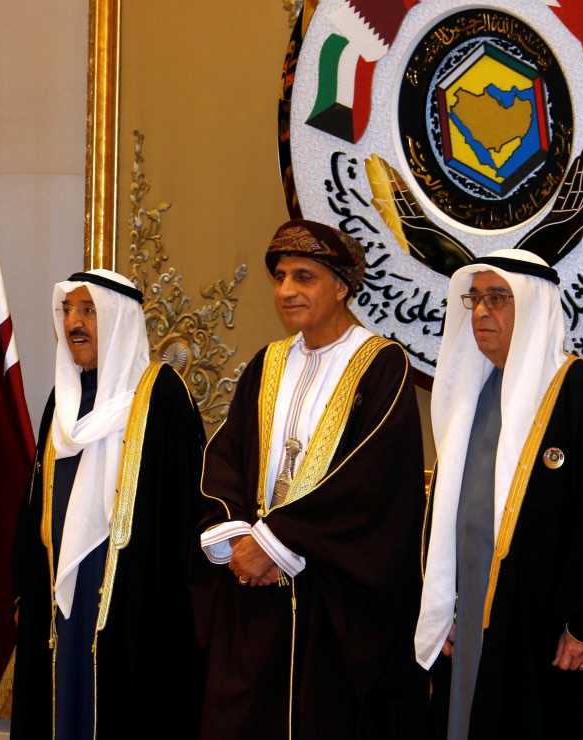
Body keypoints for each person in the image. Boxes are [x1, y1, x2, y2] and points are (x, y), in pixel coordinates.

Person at [196, 219, 427, 739]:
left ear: (341, 286)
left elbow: (371, 479)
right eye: (280, 276)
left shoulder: (381, 363)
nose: (286, 291)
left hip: (331, 598)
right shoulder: (269, 362)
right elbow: (227, 456)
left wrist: (277, 542)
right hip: (254, 592)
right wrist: (239, 536)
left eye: (304, 277)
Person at [417, 249, 583, 739]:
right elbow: (445, 511)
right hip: (476, 606)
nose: (481, 312)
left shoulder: (577, 386)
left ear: (533, 306)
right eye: (475, 299)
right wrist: (444, 604)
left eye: (498, 298)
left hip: (546, 622)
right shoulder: (473, 392)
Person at [11, 269, 206, 739]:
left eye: (88, 311)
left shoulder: (162, 396)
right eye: (67, 311)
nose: (73, 323)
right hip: (61, 591)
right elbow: (35, 501)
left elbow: (184, 512)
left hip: (133, 596)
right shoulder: (63, 400)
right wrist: (26, 587)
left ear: (119, 320)